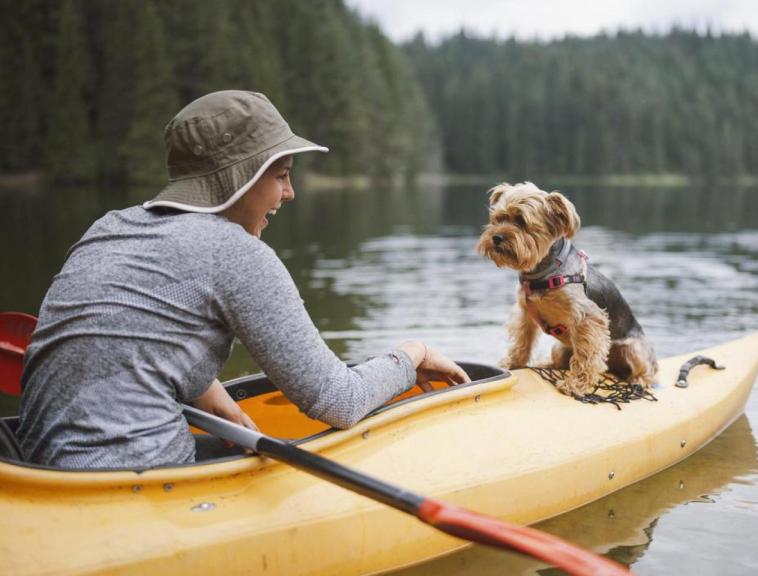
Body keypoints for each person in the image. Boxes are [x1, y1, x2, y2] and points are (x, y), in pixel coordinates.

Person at [17, 90, 469, 469]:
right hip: (134, 484)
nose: (289, 193)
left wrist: (210, 392)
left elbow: (131, 336)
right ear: (241, 178)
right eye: (281, 176)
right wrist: (414, 354)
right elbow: (339, 400)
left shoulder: (112, 226)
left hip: (38, 473)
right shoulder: (236, 252)